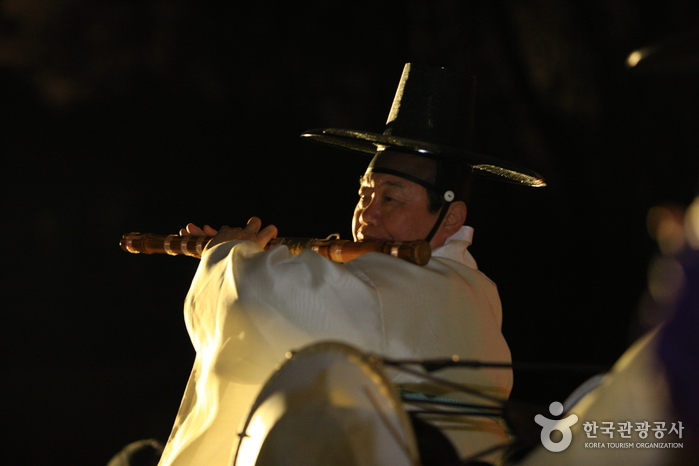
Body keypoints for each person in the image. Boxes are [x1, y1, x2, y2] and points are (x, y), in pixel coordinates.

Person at [156, 63, 545, 466]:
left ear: (450, 218)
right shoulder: (476, 288)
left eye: (390, 199)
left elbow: (256, 298)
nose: (367, 215)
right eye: (364, 195)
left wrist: (231, 257)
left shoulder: (410, 284)